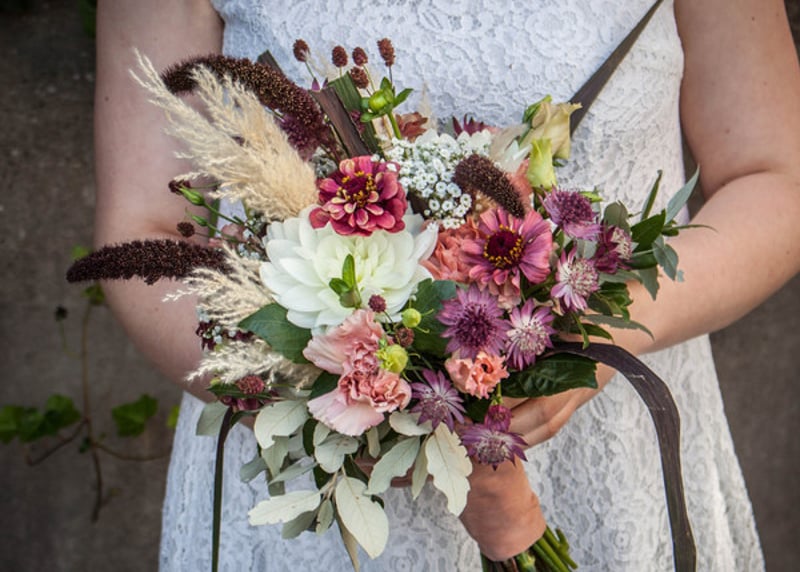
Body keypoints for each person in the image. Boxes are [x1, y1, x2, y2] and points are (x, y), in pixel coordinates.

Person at [93, 0, 800, 570]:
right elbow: (145, 226)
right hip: (323, 471)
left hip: (609, 447)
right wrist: (331, 392)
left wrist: (597, 332)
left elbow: (776, 178)